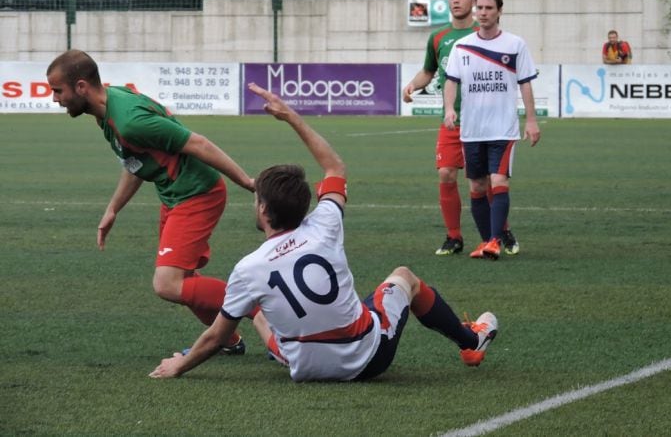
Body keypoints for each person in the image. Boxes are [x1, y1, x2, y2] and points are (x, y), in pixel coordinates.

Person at [149, 83, 498, 382]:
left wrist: (179, 366)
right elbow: (334, 166)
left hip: (302, 367)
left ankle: (287, 344)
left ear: (263, 210)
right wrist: (291, 117)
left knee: (253, 307)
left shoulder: (246, 268)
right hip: (367, 359)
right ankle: (470, 343)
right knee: (404, 278)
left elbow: (214, 338)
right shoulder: (325, 223)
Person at [46, 50, 258, 354]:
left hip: (197, 193)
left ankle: (259, 307)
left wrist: (247, 182)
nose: (55, 99)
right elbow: (135, 161)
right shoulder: (107, 108)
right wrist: (113, 209)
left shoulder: (130, 121)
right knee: (184, 278)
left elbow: (197, 143)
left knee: (167, 284)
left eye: (58, 90)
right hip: (173, 195)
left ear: (81, 87)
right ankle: (227, 340)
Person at [402, 0, 518, 257]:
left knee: (489, 180)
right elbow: (428, 71)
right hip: (452, 121)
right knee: (446, 174)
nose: (455, 1)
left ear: (474, 1)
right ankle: (454, 237)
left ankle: (500, 231)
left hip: (485, 121)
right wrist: (412, 84)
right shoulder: (438, 38)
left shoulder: (487, 34)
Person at [443, 0, 541, 261]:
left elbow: (525, 83)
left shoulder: (515, 45)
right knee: (476, 187)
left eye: (488, 8)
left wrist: (531, 120)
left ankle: (495, 241)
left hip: (503, 129)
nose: (483, 12)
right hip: (472, 130)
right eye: (480, 8)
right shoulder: (461, 46)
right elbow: (451, 81)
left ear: (499, 11)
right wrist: (450, 109)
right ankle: (487, 241)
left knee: (498, 182)